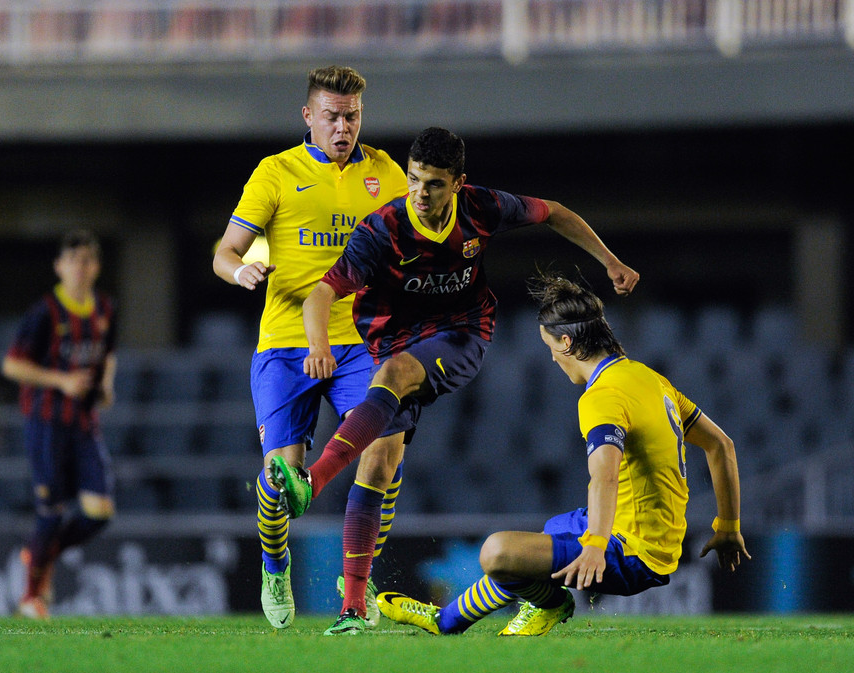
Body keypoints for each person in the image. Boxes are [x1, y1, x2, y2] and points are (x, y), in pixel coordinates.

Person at [271, 127, 640, 634]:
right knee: (378, 464)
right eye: (414, 180)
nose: (421, 194)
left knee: (394, 374)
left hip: (462, 335)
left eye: (435, 184)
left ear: (458, 183)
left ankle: (311, 480)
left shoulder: (483, 208)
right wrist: (317, 344)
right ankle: (354, 609)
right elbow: (319, 296)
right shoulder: (383, 228)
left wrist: (611, 262)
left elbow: (554, 210)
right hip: (390, 338)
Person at [375, 273, 751, 635]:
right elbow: (722, 445)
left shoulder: (601, 397)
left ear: (567, 342)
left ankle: (551, 605)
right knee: (549, 534)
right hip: (649, 534)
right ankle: (446, 620)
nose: (553, 359)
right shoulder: (650, 378)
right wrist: (729, 527)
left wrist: (596, 546)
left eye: (551, 348)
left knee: (496, 552)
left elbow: (603, 474)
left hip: (633, 551)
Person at [211, 65, 409, 632]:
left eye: (352, 117)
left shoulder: (384, 172)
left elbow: (415, 240)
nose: (343, 127)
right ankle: (276, 565)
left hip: (359, 342)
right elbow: (225, 252)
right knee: (281, 479)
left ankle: (357, 580)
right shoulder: (276, 173)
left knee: (385, 452)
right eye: (332, 116)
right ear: (308, 117)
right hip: (285, 345)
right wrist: (242, 272)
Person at [2, 229, 118, 619]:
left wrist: (105, 384)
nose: (79, 268)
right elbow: (12, 365)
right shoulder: (44, 313)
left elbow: (110, 353)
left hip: (84, 423)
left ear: (96, 267)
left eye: (87, 260)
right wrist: (62, 381)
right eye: (72, 261)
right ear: (59, 267)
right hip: (46, 422)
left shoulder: (104, 309)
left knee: (99, 511)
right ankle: (30, 597)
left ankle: (39, 552)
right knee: (50, 512)